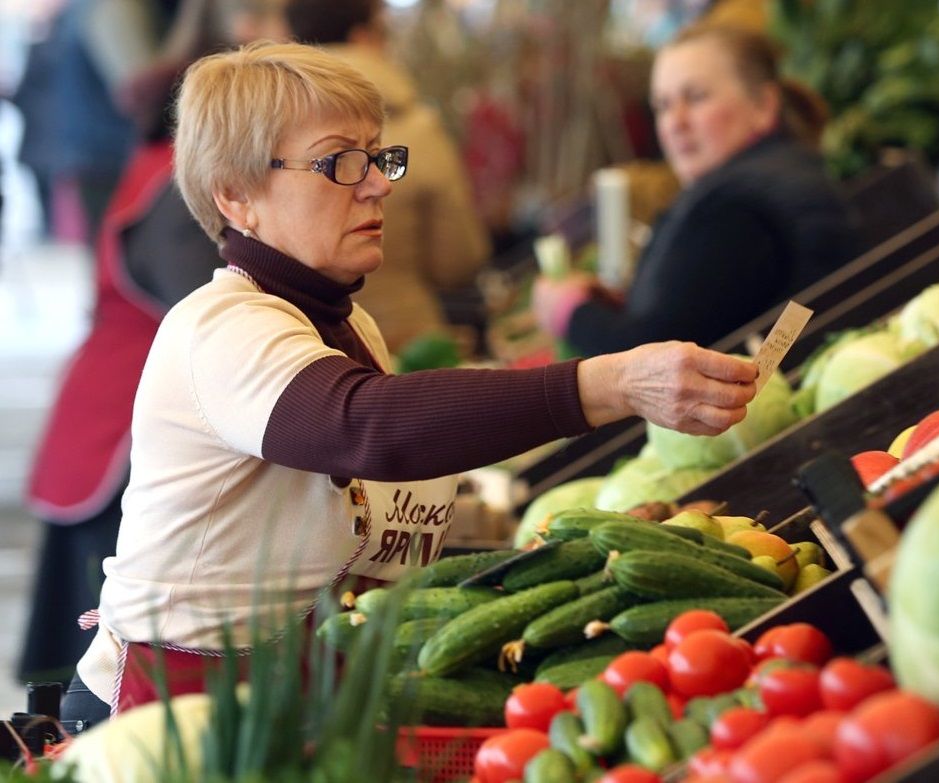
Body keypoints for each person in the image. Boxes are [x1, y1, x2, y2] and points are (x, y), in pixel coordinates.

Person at [63, 41, 758, 724]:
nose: (377, 183)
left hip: (295, 711)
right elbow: (363, 427)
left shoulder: (350, 325)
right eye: (340, 162)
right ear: (237, 195)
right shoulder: (220, 327)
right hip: (169, 720)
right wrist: (606, 383)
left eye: (378, 156)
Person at [21, 58, 226, 690]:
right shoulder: (174, 181)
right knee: (95, 645)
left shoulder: (162, 168)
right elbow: (207, 302)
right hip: (122, 413)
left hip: (118, 394)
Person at [532, 24, 862, 357]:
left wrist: (571, 313)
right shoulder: (774, 171)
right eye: (662, 105)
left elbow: (652, 359)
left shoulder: (735, 211)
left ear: (763, 105)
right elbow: (704, 309)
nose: (675, 122)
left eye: (695, 97)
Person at [284, 0, 491, 353]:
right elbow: (458, 259)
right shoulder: (416, 124)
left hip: (300, 341)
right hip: (411, 344)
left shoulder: (275, 129)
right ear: (363, 35)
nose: (381, 185)